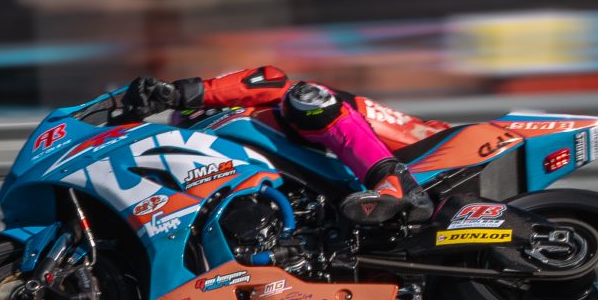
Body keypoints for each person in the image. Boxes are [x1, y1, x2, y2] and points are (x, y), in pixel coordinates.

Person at [112, 65, 437, 225]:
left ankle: (396, 183)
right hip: (347, 197)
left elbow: (269, 77)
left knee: (306, 99)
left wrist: (179, 93)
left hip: (428, 146)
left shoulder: (259, 109)